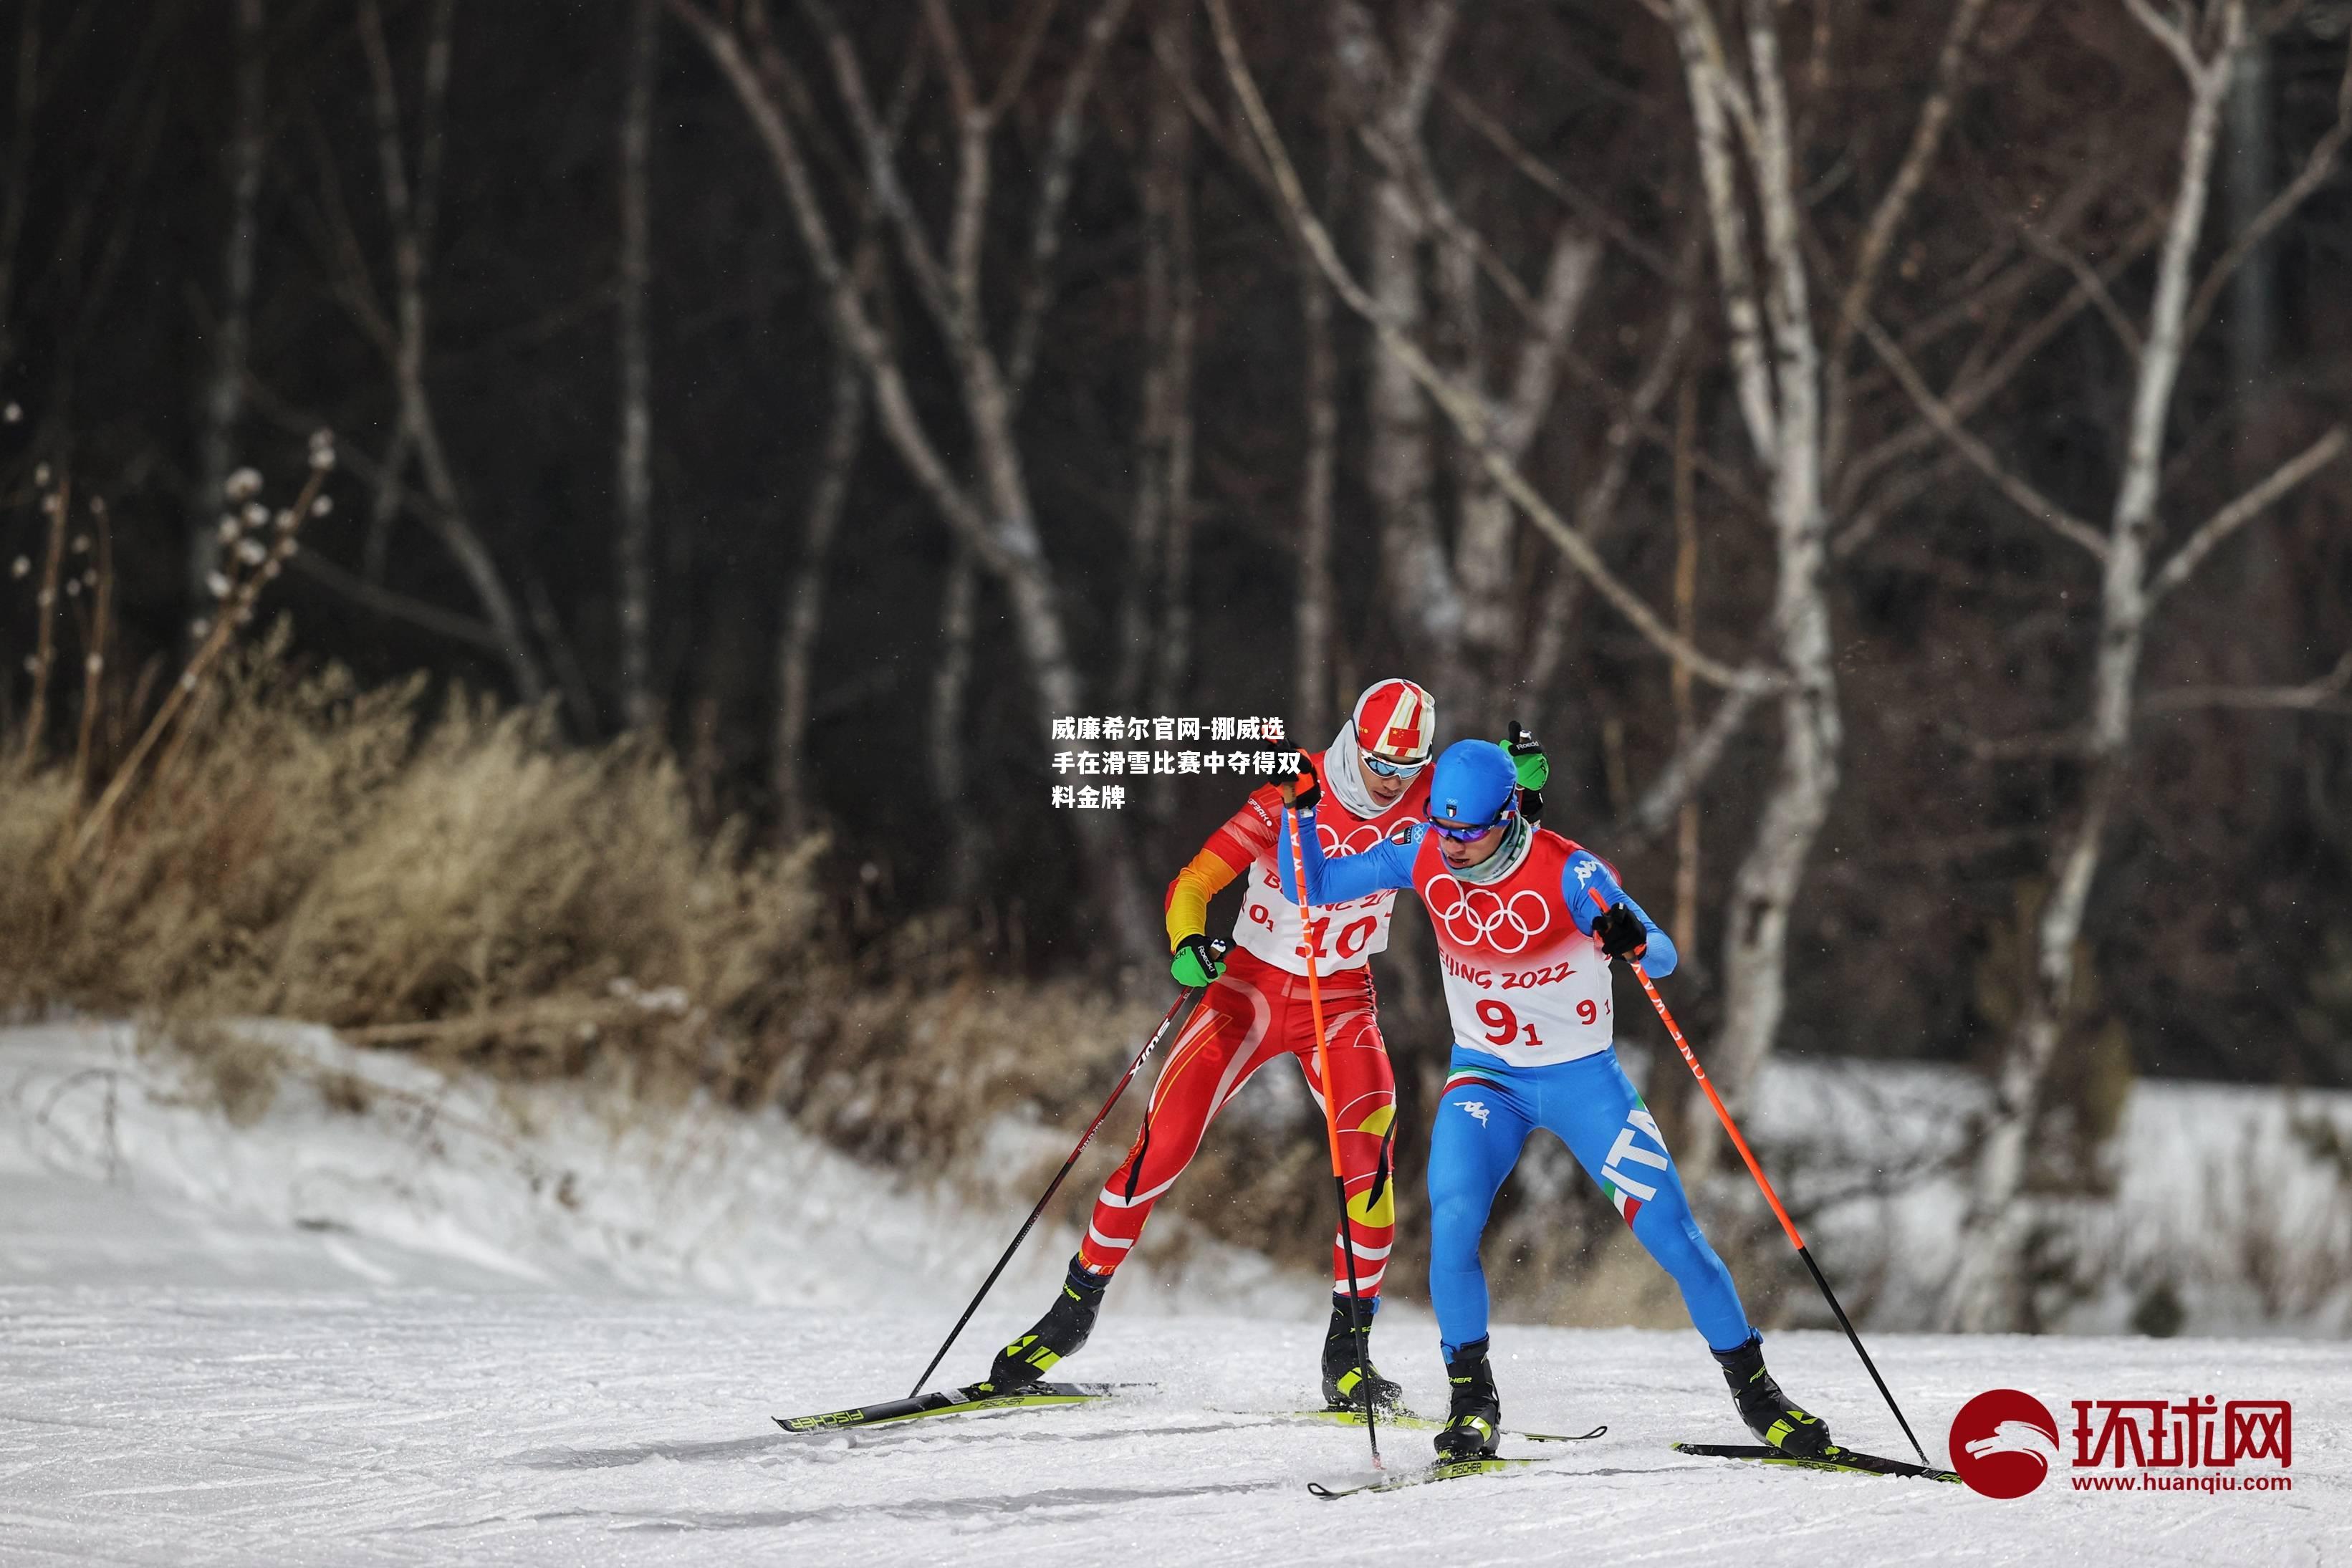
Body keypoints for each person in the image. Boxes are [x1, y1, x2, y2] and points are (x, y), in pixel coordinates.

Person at [1277, 738, 1834, 1461]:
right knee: (1450, 1223)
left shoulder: (1571, 871)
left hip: (1582, 1082)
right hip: (1486, 1080)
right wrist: (1301, 811)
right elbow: (1310, 884)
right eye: (1443, 829)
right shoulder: (1422, 851)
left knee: (1675, 1237)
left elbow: (1660, 956)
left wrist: (1630, 936)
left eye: (1468, 832)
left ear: (1507, 816)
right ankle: (1472, 1401)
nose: (1452, 848)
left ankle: (1760, 1397)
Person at [984, 680, 1481, 1411]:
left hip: (1340, 1000)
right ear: (1353, 739)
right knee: (1162, 1147)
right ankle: (1071, 1311)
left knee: (1367, 1171)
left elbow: (1499, 831)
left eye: (1406, 768)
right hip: (1245, 993)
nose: (1389, 780)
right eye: (1378, 762)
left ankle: (1346, 1355)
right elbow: (1195, 881)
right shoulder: (1289, 790)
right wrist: (1187, 942)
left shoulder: (1433, 796)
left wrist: (1524, 795)